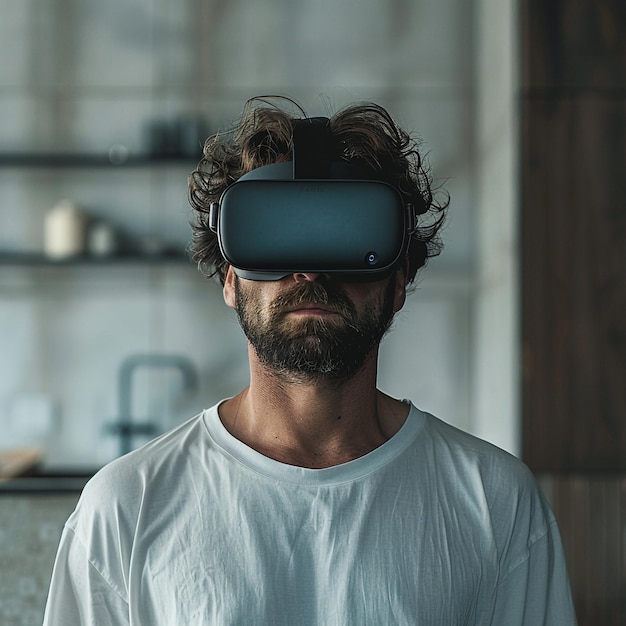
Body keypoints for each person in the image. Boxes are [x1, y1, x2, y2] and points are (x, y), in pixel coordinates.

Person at [43, 97, 577, 625]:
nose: (309, 270)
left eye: (346, 235)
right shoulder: (124, 508)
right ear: (231, 280)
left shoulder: (497, 502)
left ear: (398, 282)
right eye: (276, 236)